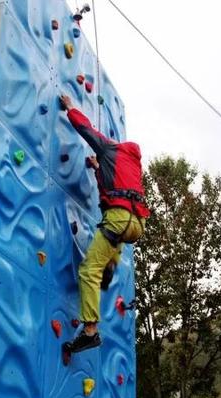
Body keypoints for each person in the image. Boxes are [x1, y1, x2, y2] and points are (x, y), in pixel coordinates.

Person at [60, 95, 150, 353]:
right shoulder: (132, 166)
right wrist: (98, 168)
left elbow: (87, 131)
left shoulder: (113, 149)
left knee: (89, 271)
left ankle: (90, 331)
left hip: (118, 220)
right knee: (113, 238)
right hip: (136, 224)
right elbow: (115, 185)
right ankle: (110, 265)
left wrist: (71, 108)